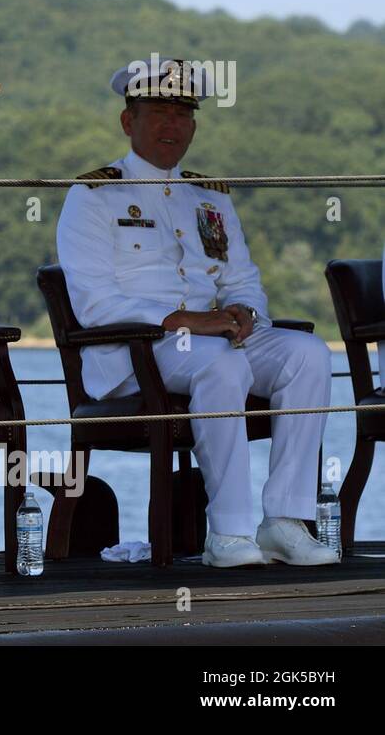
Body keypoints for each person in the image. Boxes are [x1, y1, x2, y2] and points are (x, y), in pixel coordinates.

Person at [56, 56, 338, 568]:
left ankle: (284, 522)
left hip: (216, 342)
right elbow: (95, 303)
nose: (173, 125)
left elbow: (243, 281)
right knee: (222, 363)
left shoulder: (210, 197)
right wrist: (187, 321)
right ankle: (228, 532)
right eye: (159, 112)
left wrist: (245, 313)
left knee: (309, 354)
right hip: (135, 354)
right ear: (129, 122)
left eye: (183, 113)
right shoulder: (94, 195)